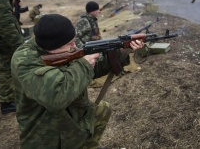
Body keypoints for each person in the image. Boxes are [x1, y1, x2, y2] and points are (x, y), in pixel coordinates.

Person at [11, 14, 143, 149]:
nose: (75, 45)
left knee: (103, 109)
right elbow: (57, 97)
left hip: (75, 114)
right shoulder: (24, 61)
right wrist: (84, 64)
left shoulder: (65, 47)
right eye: (70, 43)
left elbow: (92, 70)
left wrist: (121, 51)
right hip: (46, 133)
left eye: (73, 40)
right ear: (52, 47)